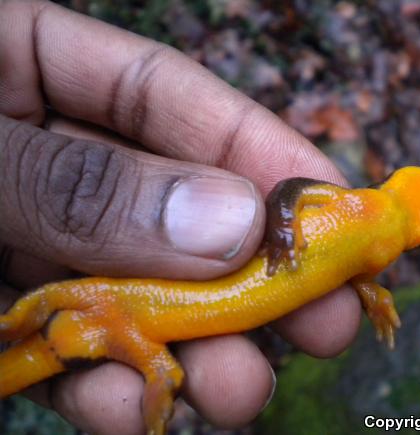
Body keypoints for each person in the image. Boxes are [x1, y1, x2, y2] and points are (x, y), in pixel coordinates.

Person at [0, 1, 361, 433]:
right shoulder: (83, 302)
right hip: (118, 315)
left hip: (118, 318)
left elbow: (157, 370)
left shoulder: (78, 300)